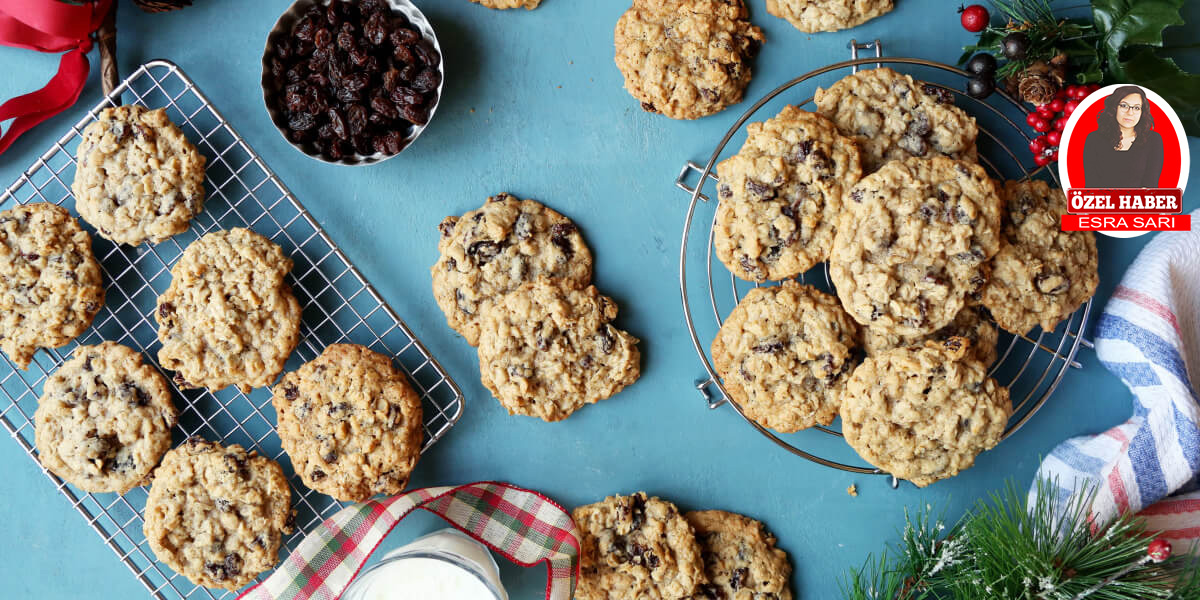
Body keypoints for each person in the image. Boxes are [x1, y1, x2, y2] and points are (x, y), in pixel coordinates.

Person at [1081, 85, 1164, 188]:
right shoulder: (1094, 139)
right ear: (1114, 108)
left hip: (1139, 203)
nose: (1130, 113)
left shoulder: (1153, 140)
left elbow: (1150, 187)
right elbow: (1091, 186)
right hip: (1102, 203)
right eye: (1124, 106)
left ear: (1142, 112)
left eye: (1137, 108)